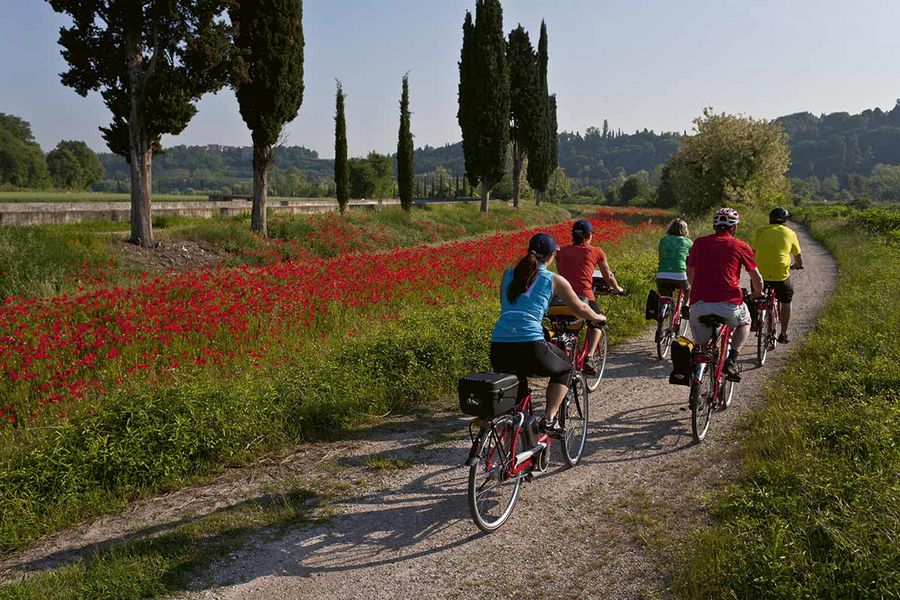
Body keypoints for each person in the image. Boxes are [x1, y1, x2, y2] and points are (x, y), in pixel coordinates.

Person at [491, 232, 606, 435]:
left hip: (499, 345)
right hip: (530, 345)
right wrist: (597, 318)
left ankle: (513, 457)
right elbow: (580, 308)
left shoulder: (508, 274)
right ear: (552, 255)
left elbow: (505, 306)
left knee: (516, 400)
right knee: (565, 369)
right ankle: (550, 420)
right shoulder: (552, 279)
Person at [686, 208, 763, 381]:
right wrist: (757, 293)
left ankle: (698, 377)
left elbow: (689, 270)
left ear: (714, 225)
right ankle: (731, 360)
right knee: (745, 321)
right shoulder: (741, 246)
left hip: (698, 304)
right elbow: (756, 277)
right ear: (734, 228)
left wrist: (696, 288)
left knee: (703, 348)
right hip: (729, 304)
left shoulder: (699, 243)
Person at [556, 219, 625, 375]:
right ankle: (589, 357)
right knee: (598, 322)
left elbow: (562, 274)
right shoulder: (596, 252)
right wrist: (617, 288)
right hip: (583, 296)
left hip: (562, 297)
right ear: (589, 235)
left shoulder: (561, 252)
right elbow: (608, 275)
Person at [751, 207, 803, 343]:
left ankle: (756, 320)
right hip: (780, 274)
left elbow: (752, 251)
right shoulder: (790, 233)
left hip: (760, 273)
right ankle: (783, 334)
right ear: (785, 220)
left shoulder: (760, 231)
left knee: (756, 296)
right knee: (786, 301)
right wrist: (797, 265)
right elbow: (798, 256)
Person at [656, 217, 693, 325]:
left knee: (664, 296)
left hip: (662, 275)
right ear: (685, 229)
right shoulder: (688, 242)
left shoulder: (663, 240)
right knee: (688, 288)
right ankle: (686, 306)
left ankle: (664, 311)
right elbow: (692, 260)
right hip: (680, 275)